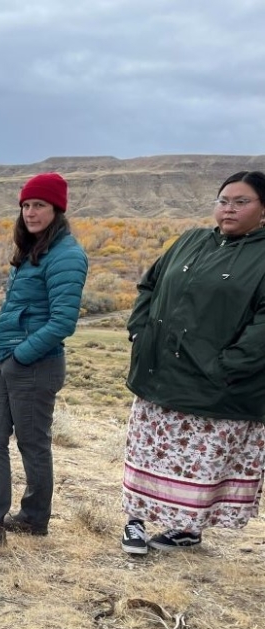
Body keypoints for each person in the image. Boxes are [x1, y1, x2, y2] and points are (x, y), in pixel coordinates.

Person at [120, 171, 265, 555]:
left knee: (196, 463)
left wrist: (225, 366)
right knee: (149, 452)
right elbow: (150, 285)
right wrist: (140, 333)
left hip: (216, 387)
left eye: (241, 201)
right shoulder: (191, 240)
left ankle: (185, 530)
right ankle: (134, 522)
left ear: (263, 209)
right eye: (223, 200)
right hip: (158, 373)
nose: (229, 208)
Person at [0, 173, 88, 547]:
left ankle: (34, 518)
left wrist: (21, 356)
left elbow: (63, 321)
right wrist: (3, 354)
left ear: (57, 210)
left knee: (32, 443)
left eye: (39, 205)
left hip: (34, 364)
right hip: (7, 360)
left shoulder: (67, 255)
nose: (30, 212)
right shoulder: (31, 252)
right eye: (25, 205)